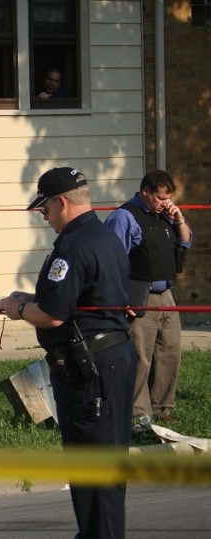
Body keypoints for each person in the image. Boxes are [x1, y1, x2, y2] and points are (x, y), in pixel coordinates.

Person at [0, 167, 136, 539]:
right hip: (114, 359)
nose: (44, 217)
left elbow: (54, 315)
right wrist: (27, 297)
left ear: (62, 202)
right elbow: (84, 298)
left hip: (89, 369)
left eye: (45, 209)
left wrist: (19, 309)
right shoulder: (105, 236)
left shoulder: (72, 246)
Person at [105, 170, 192, 429]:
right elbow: (113, 261)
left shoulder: (166, 216)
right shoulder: (124, 217)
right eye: (159, 198)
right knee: (140, 358)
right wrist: (122, 300)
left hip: (166, 295)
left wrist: (177, 217)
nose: (164, 203)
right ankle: (137, 414)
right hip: (140, 296)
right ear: (145, 192)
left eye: (168, 199)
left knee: (170, 353)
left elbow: (186, 242)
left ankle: (163, 408)